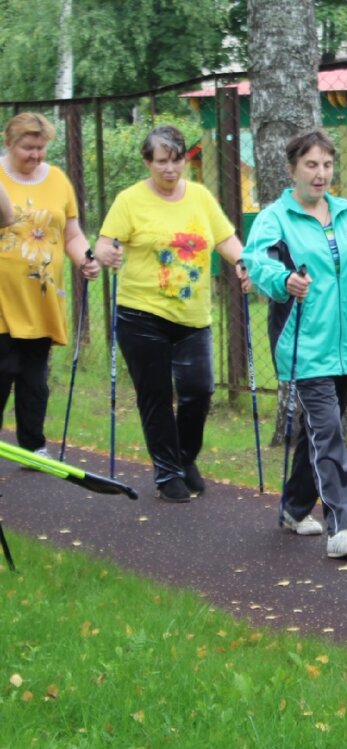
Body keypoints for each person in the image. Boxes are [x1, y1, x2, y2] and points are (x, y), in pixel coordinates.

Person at [94, 125, 250, 502]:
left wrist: (243, 260)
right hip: (141, 313)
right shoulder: (129, 200)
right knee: (156, 395)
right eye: (161, 161)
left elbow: (224, 238)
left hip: (193, 316)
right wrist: (107, 254)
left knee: (199, 390)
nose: (169, 169)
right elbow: (103, 244)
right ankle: (167, 474)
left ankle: (183, 456)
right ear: (148, 162)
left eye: (176, 160)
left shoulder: (198, 196)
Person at [245, 130, 347, 559]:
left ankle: (294, 507)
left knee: (320, 431)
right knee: (329, 430)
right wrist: (284, 279)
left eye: (327, 165)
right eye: (311, 165)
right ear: (292, 169)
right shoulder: (275, 217)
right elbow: (257, 263)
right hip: (302, 343)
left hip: (346, 345)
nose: (321, 174)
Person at [0, 113, 100, 457]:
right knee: (3, 369)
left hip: (41, 298)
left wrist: (86, 258)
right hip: (2, 297)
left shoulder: (57, 180)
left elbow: (70, 233)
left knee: (34, 378)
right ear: (9, 143)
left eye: (41, 148)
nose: (36, 155)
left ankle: (33, 445)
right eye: (28, 148)